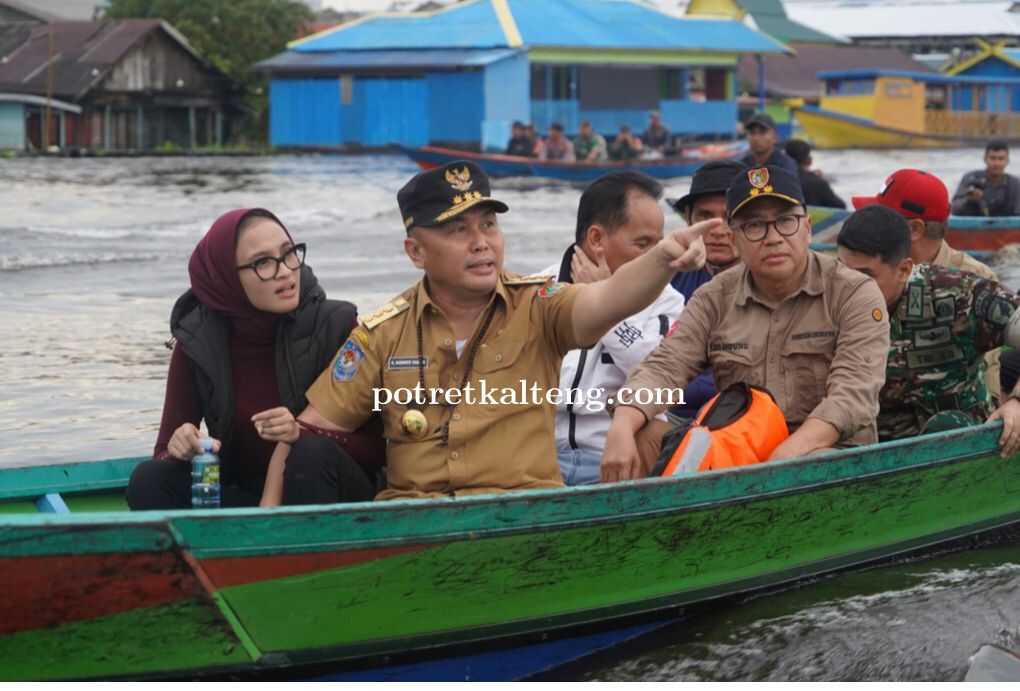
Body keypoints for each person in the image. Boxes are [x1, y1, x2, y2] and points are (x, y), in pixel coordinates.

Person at [259, 160, 716, 504]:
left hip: (520, 520)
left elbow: (612, 298)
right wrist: (264, 531)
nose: (481, 242)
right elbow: (307, 430)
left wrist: (662, 258)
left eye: (489, 225)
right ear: (416, 251)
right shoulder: (385, 331)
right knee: (309, 454)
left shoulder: (541, 306)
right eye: (458, 230)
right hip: (416, 526)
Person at [601, 165, 890, 482]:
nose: (773, 238)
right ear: (735, 239)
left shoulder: (853, 293)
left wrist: (781, 458)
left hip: (826, 451)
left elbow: (852, 397)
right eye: (754, 226)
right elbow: (665, 367)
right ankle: (646, 528)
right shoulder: (714, 297)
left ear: (807, 228)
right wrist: (622, 425)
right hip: (740, 446)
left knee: (814, 466)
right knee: (642, 434)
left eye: (785, 221)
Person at [125, 209, 385, 510]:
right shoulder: (197, 342)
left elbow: (381, 450)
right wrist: (180, 446)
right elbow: (163, 453)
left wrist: (301, 434)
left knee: (310, 453)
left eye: (289, 254)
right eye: (263, 262)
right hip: (246, 494)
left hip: (332, 491)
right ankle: (200, 555)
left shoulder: (337, 327)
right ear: (226, 278)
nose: (286, 271)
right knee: (149, 478)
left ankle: (308, 552)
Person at [835, 204, 1020, 457]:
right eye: (842, 272)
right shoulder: (826, 298)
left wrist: (1017, 402)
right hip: (863, 454)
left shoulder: (958, 296)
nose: (849, 286)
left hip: (957, 448)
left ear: (903, 270)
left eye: (865, 277)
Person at [541, 172, 686, 485]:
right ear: (596, 239)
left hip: (617, 458)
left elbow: (655, 367)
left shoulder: (668, 300)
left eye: (660, 244)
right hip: (540, 459)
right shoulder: (538, 289)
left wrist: (605, 302)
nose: (658, 257)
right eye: (643, 244)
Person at [852, 168, 1003, 401]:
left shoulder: (975, 280)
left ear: (914, 229)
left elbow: (991, 366)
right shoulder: (860, 270)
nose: (871, 224)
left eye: (882, 218)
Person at [668, 159, 745, 417]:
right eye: (705, 216)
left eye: (730, 217)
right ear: (688, 219)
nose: (718, 230)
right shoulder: (669, 275)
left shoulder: (772, 283)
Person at [952, 141, 1020, 217]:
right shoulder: (970, 178)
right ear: (985, 159)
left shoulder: (1015, 184)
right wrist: (969, 200)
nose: (996, 163)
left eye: (1001, 159)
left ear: (1007, 161)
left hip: (1008, 227)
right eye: (992, 158)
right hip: (973, 226)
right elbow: (954, 209)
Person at [784, 139, 846, 209]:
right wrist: (823, 181)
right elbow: (841, 206)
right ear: (809, 160)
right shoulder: (816, 182)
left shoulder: (781, 180)